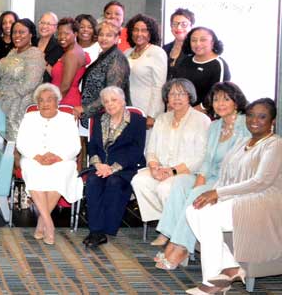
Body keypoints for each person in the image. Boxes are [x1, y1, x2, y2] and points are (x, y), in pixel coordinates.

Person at [184, 98, 281, 295]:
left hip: (264, 201)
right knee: (194, 210)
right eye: (251, 115)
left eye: (262, 116)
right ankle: (231, 267)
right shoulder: (242, 142)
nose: (254, 120)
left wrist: (218, 193)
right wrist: (215, 194)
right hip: (240, 197)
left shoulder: (275, 144)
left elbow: (260, 182)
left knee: (208, 216)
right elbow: (226, 173)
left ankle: (212, 281)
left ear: (272, 121)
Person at [154, 82, 250, 270]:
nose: (220, 104)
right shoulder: (215, 126)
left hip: (229, 180)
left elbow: (240, 163)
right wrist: (201, 178)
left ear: (236, 102)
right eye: (216, 99)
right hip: (211, 175)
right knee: (181, 182)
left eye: (226, 99)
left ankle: (180, 246)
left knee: (195, 194)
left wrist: (202, 185)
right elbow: (207, 158)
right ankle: (173, 238)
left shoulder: (244, 125)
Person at [132, 79, 210, 227]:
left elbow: (202, 156)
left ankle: (171, 227)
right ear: (167, 98)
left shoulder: (201, 120)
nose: (177, 98)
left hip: (187, 172)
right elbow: (151, 149)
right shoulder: (161, 119)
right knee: (139, 181)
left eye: (181, 94)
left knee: (165, 188)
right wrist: (154, 167)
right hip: (162, 168)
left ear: (189, 96)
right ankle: (163, 222)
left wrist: (173, 171)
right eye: (172, 94)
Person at [17, 83, 83, 245]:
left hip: (62, 160)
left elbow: (75, 146)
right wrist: (37, 156)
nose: (45, 103)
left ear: (57, 101)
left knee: (61, 173)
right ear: (37, 103)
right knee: (31, 170)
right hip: (33, 158)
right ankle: (49, 224)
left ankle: (42, 223)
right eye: (41, 100)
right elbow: (21, 143)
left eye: (49, 100)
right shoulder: (29, 118)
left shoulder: (68, 119)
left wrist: (58, 157)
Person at [83, 86, 146, 248]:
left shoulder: (137, 121)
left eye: (114, 100)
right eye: (106, 101)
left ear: (123, 101)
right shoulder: (99, 119)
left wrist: (113, 168)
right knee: (92, 182)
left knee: (114, 183)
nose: (110, 104)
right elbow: (93, 146)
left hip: (125, 167)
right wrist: (98, 164)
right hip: (100, 166)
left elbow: (136, 150)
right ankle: (96, 231)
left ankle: (104, 230)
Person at [0, 18, 46, 142]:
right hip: (3, 102)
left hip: (21, 104)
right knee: (0, 146)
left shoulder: (35, 54)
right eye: (14, 32)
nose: (17, 35)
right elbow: (4, 77)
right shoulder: (13, 52)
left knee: (17, 144)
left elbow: (30, 84)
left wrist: (3, 94)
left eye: (21, 32)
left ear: (31, 34)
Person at [75, 20, 131, 126]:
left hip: (110, 117)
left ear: (116, 39)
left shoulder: (117, 59)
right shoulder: (104, 55)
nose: (104, 38)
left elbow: (112, 94)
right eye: (101, 34)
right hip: (98, 116)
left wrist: (85, 108)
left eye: (109, 35)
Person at [124, 14, 167, 125]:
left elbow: (159, 86)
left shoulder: (157, 52)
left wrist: (152, 115)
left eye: (144, 30)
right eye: (136, 30)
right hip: (128, 108)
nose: (139, 34)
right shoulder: (127, 52)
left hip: (147, 110)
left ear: (151, 33)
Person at [173, 27, 230, 110]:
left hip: (205, 115)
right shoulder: (186, 60)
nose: (198, 44)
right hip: (181, 110)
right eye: (194, 40)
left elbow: (218, 95)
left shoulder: (218, 65)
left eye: (203, 40)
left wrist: (192, 112)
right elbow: (176, 85)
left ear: (212, 42)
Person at [50, 17, 88, 106]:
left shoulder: (71, 54)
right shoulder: (73, 50)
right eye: (59, 34)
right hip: (63, 98)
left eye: (66, 33)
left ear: (75, 34)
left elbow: (65, 86)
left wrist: (53, 104)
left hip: (65, 101)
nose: (62, 37)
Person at [163, 8, 194, 78]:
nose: (179, 28)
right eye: (175, 24)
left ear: (191, 27)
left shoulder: (194, 50)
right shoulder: (165, 48)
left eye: (184, 24)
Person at [36, 11, 62, 82]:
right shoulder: (32, 42)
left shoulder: (59, 47)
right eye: (42, 23)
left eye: (48, 24)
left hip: (46, 88)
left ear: (55, 27)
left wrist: (44, 62)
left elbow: (57, 76)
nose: (44, 26)